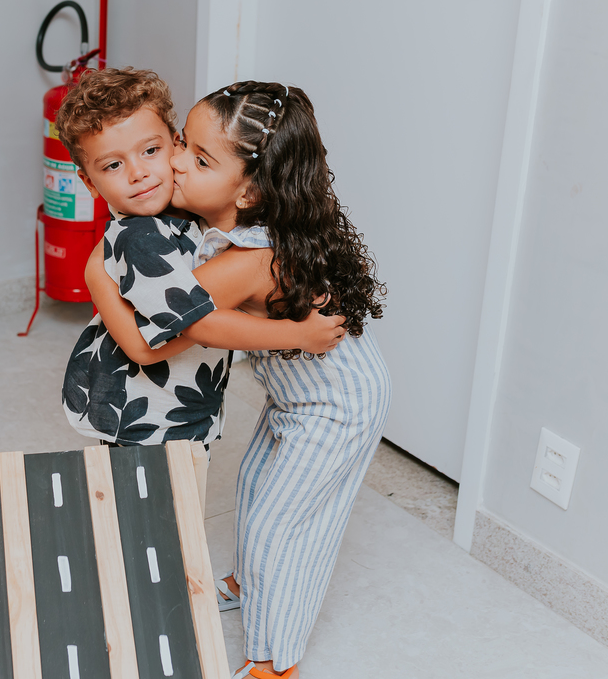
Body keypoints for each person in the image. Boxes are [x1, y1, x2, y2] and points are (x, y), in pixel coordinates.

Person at [97, 80, 391, 678]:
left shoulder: (246, 262)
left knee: (280, 525)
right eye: (181, 143)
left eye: (198, 160)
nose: (175, 162)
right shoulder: (234, 215)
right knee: (255, 489)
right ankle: (247, 580)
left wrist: (96, 273)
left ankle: (274, 662)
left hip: (337, 404)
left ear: (251, 191)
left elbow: (159, 335)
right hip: (297, 397)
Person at [57, 68, 346, 463]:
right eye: (112, 166)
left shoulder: (179, 208)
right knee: (161, 511)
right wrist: (297, 335)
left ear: (175, 144)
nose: (139, 173)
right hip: (147, 417)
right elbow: (198, 324)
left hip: (178, 405)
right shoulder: (139, 239)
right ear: (89, 183)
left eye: (150, 151)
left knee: (169, 508)